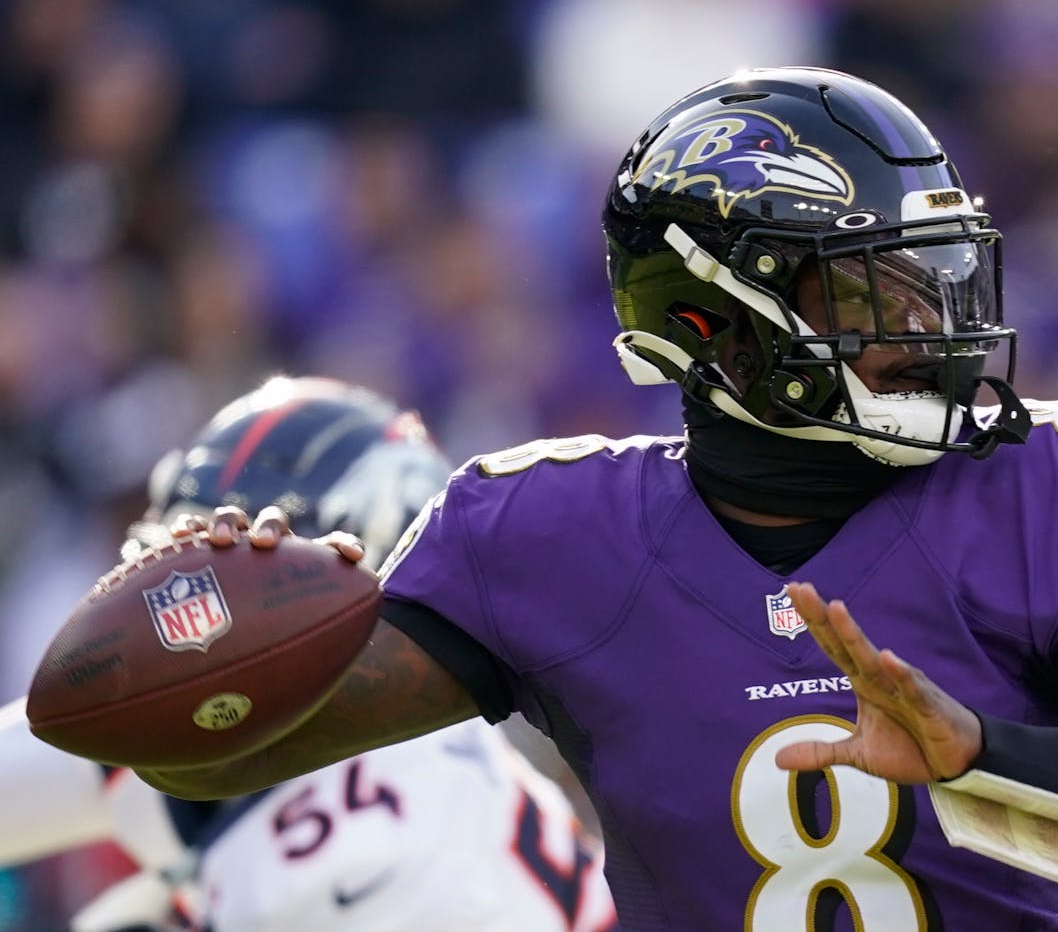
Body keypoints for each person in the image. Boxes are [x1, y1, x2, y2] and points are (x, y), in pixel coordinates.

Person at [75, 67, 1058, 930]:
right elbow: (216, 739)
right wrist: (204, 623)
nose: (935, 331)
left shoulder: (1037, 485)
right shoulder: (544, 533)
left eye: (939, 281)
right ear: (718, 320)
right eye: (873, 293)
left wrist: (992, 756)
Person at [4, 375, 616, 931]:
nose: (184, 608)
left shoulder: (377, 823)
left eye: (231, 574)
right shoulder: (222, 733)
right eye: (176, 552)